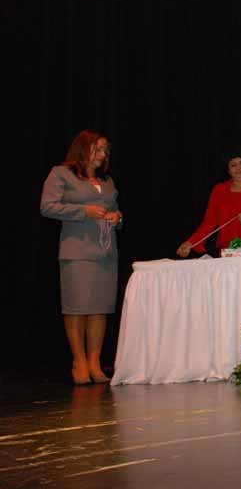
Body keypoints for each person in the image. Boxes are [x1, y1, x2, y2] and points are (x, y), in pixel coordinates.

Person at [41, 130, 123, 385]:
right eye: (98, 149)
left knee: (100, 308)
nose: (103, 154)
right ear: (83, 148)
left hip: (106, 253)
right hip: (77, 252)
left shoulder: (107, 181)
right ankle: (79, 361)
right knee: (77, 307)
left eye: (105, 150)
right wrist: (83, 211)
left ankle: (95, 363)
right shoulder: (61, 173)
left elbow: (115, 210)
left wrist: (117, 217)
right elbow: (47, 206)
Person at [176, 148, 241, 257]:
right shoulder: (218, 190)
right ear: (228, 170)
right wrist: (191, 243)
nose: (238, 168)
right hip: (229, 250)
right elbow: (209, 223)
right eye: (233, 165)